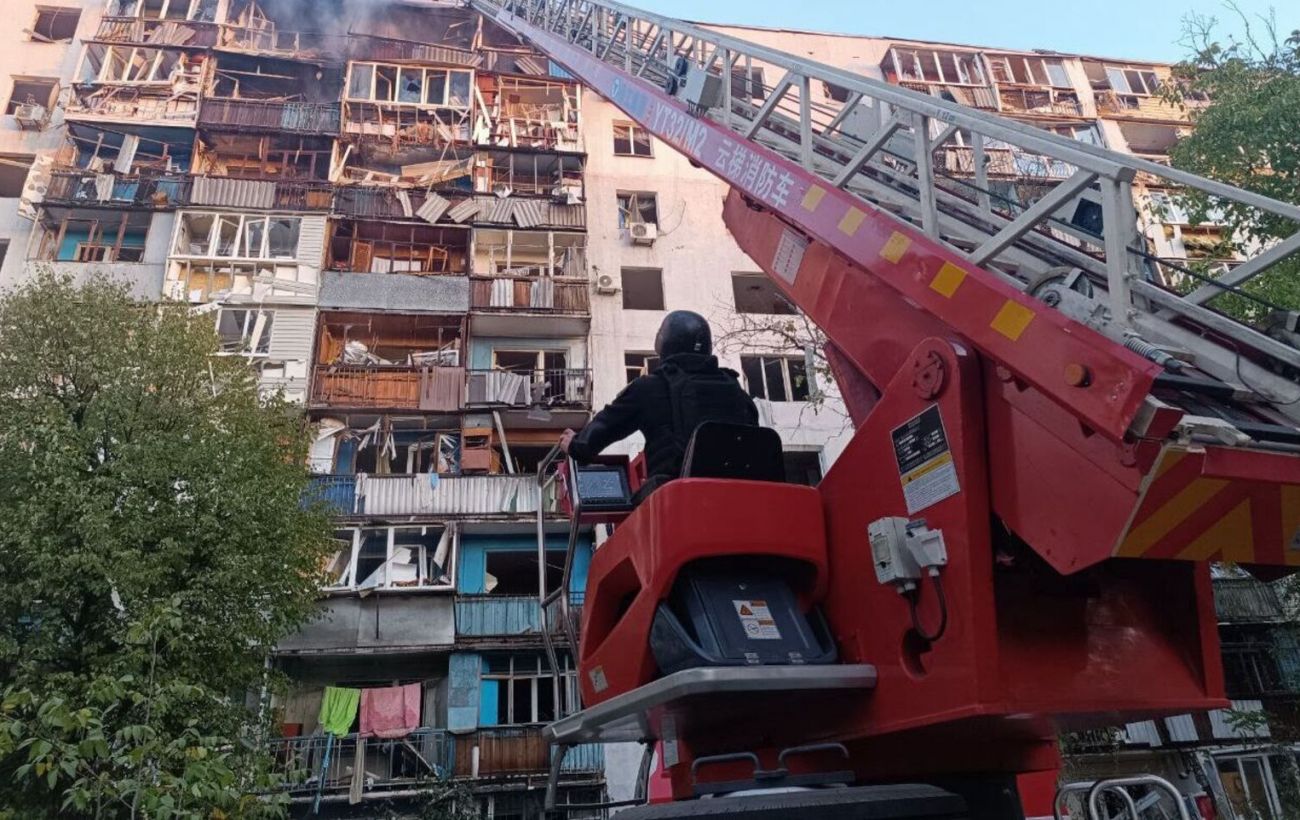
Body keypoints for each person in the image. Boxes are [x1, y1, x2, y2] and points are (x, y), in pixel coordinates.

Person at [560, 311, 759, 498]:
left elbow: (606, 425)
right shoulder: (739, 394)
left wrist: (576, 444)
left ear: (663, 343)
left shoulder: (651, 387)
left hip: (676, 502)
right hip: (742, 500)